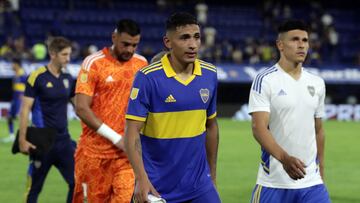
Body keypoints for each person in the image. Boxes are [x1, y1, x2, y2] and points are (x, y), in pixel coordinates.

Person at [125, 12, 221, 203]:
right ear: (168, 42)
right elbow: (132, 132)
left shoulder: (209, 74)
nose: (193, 44)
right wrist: (141, 179)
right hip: (157, 187)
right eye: (184, 38)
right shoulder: (147, 78)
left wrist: (212, 176)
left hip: (199, 185)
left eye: (196, 37)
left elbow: (211, 127)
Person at [248, 20, 330, 203]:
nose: (301, 44)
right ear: (280, 45)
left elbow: (318, 130)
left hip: (312, 184)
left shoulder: (317, 83)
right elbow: (258, 128)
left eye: (305, 40)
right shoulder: (265, 80)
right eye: (294, 39)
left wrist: (320, 172)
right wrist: (285, 159)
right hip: (273, 184)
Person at [73, 19, 148, 203]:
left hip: (126, 157)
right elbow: (81, 108)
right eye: (125, 44)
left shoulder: (141, 64)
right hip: (93, 156)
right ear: (114, 37)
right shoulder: (94, 63)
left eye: (134, 45)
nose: (130, 50)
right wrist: (116, 138)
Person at [18, 36, 76, 203]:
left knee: (76, 183)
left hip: (64, 141)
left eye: (69, 54)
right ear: (53, 54)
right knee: (34, 189)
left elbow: (79, 108)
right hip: (42, 141)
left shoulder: (68, 78)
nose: (68, 58)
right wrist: (22, 139)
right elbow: (25, 110)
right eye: (64, 55)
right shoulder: (37, 77)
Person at [1, 58, 27, 143]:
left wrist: (23, 95)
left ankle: (24, 137)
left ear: (17, 64)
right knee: (10, 117)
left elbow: (28, 85)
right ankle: (12, 136)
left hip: (20, 98)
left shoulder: (22, 74)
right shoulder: (16, 74)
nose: (12, 65)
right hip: (15, 98)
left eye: (13, 64)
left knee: (20, 117)